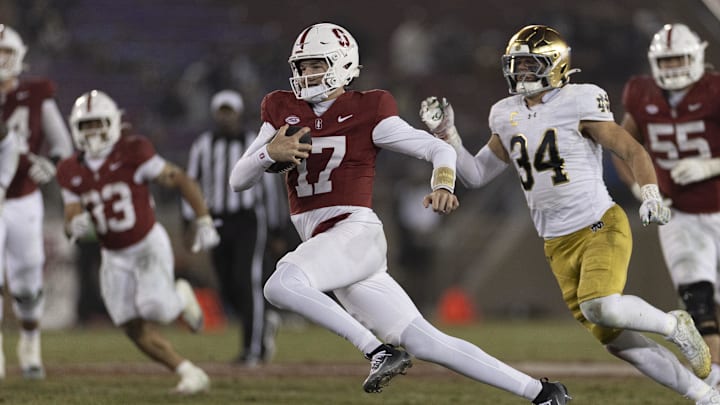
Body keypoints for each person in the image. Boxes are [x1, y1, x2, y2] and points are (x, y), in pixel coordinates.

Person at [229, 22, 572, 404]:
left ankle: (378, 351)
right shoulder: (281, 109)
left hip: (351, 230)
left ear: (342, 65)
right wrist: (266, 154)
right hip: (333, 247)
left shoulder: (368, 109)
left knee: (280, 285)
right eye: (302, 66)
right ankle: (542, 393)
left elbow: (438, 150)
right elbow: (237, 179)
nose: (306, 75)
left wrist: (443, 183)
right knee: (424, 340)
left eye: (316, 65)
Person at [420, 24, 720, 404]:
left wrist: (649, 193)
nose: (522, 73)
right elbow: (476, 174)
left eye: (531, 65)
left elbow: (631, 150)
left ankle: (673, 324)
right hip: (556, 243)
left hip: (599, 225)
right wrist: (448, 135)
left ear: (556, 65)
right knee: (620, 343)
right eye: (518, 65)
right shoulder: (505, 113)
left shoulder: (580, 100)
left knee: (602, 304)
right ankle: (705, 396)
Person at [56, 90, 220, 394]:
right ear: (75, 128)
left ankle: (182, 295)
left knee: (156, 309)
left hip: (145, 244)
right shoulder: (69, 169)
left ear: (114, 123)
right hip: (113, 254)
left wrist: (204, 218)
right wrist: (73, 225)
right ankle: (189, 372)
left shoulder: (134, 151)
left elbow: (179, 178)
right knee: (129, 324)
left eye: (98, 123)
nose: (92, 132)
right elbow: (71, 215)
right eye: (86, 125)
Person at [611, 23, 720, 387]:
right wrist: (642, 188)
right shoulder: (641, 94)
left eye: (679, 59)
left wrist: (712, 164)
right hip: (680, 212)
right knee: (698, 298)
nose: (672, 67)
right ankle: (716, 378)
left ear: (697, 57)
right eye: (666, 60)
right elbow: (624, 149)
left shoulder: (715, 90)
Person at [183, 89, 286, 366]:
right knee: (227, 285)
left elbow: (269, 187)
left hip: (248, 219)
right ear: (216, 113)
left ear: (238, 113)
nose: (226, 117)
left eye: (230, 111)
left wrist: (276, 229)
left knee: (247, 280)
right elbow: (191, 184)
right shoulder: (203, 145)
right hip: (217, 220)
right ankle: (263, 322)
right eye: (222, 111)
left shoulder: (254, 142)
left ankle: (252, 351)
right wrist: (188, 220)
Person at [0, 23, 74, 380]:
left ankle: (30, 341)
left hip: (24, 199)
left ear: (19, 57)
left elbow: (62, 144)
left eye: (5, 53)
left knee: (28, 279)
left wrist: (53, 164)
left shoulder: (35, 94)